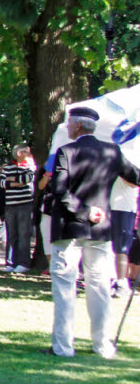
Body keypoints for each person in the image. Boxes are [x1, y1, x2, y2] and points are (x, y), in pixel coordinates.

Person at [47, 106, 140, 359]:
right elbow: (136, 176)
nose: (68, 128)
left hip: (70, 226)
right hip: (100, 229)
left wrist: (84, 211)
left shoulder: (67, 151)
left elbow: (60, 190)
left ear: (77, 126)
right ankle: (102, 345)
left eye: (69, 124)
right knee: (99, 287)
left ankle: (63, 347)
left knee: (65, 287)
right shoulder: (112, 151)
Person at [0, 144, 36, 272]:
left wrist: (11, 180)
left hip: (25, 205)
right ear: (19, 153)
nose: (29, 155)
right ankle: (11, 263)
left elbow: (27, 178)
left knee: (24, 234)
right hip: (10, 205)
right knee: (11, 234)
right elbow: (0, 182)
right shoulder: (8, 167)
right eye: (27, 152)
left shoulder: (29, 166)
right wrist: (16, 182)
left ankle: (23, 263)